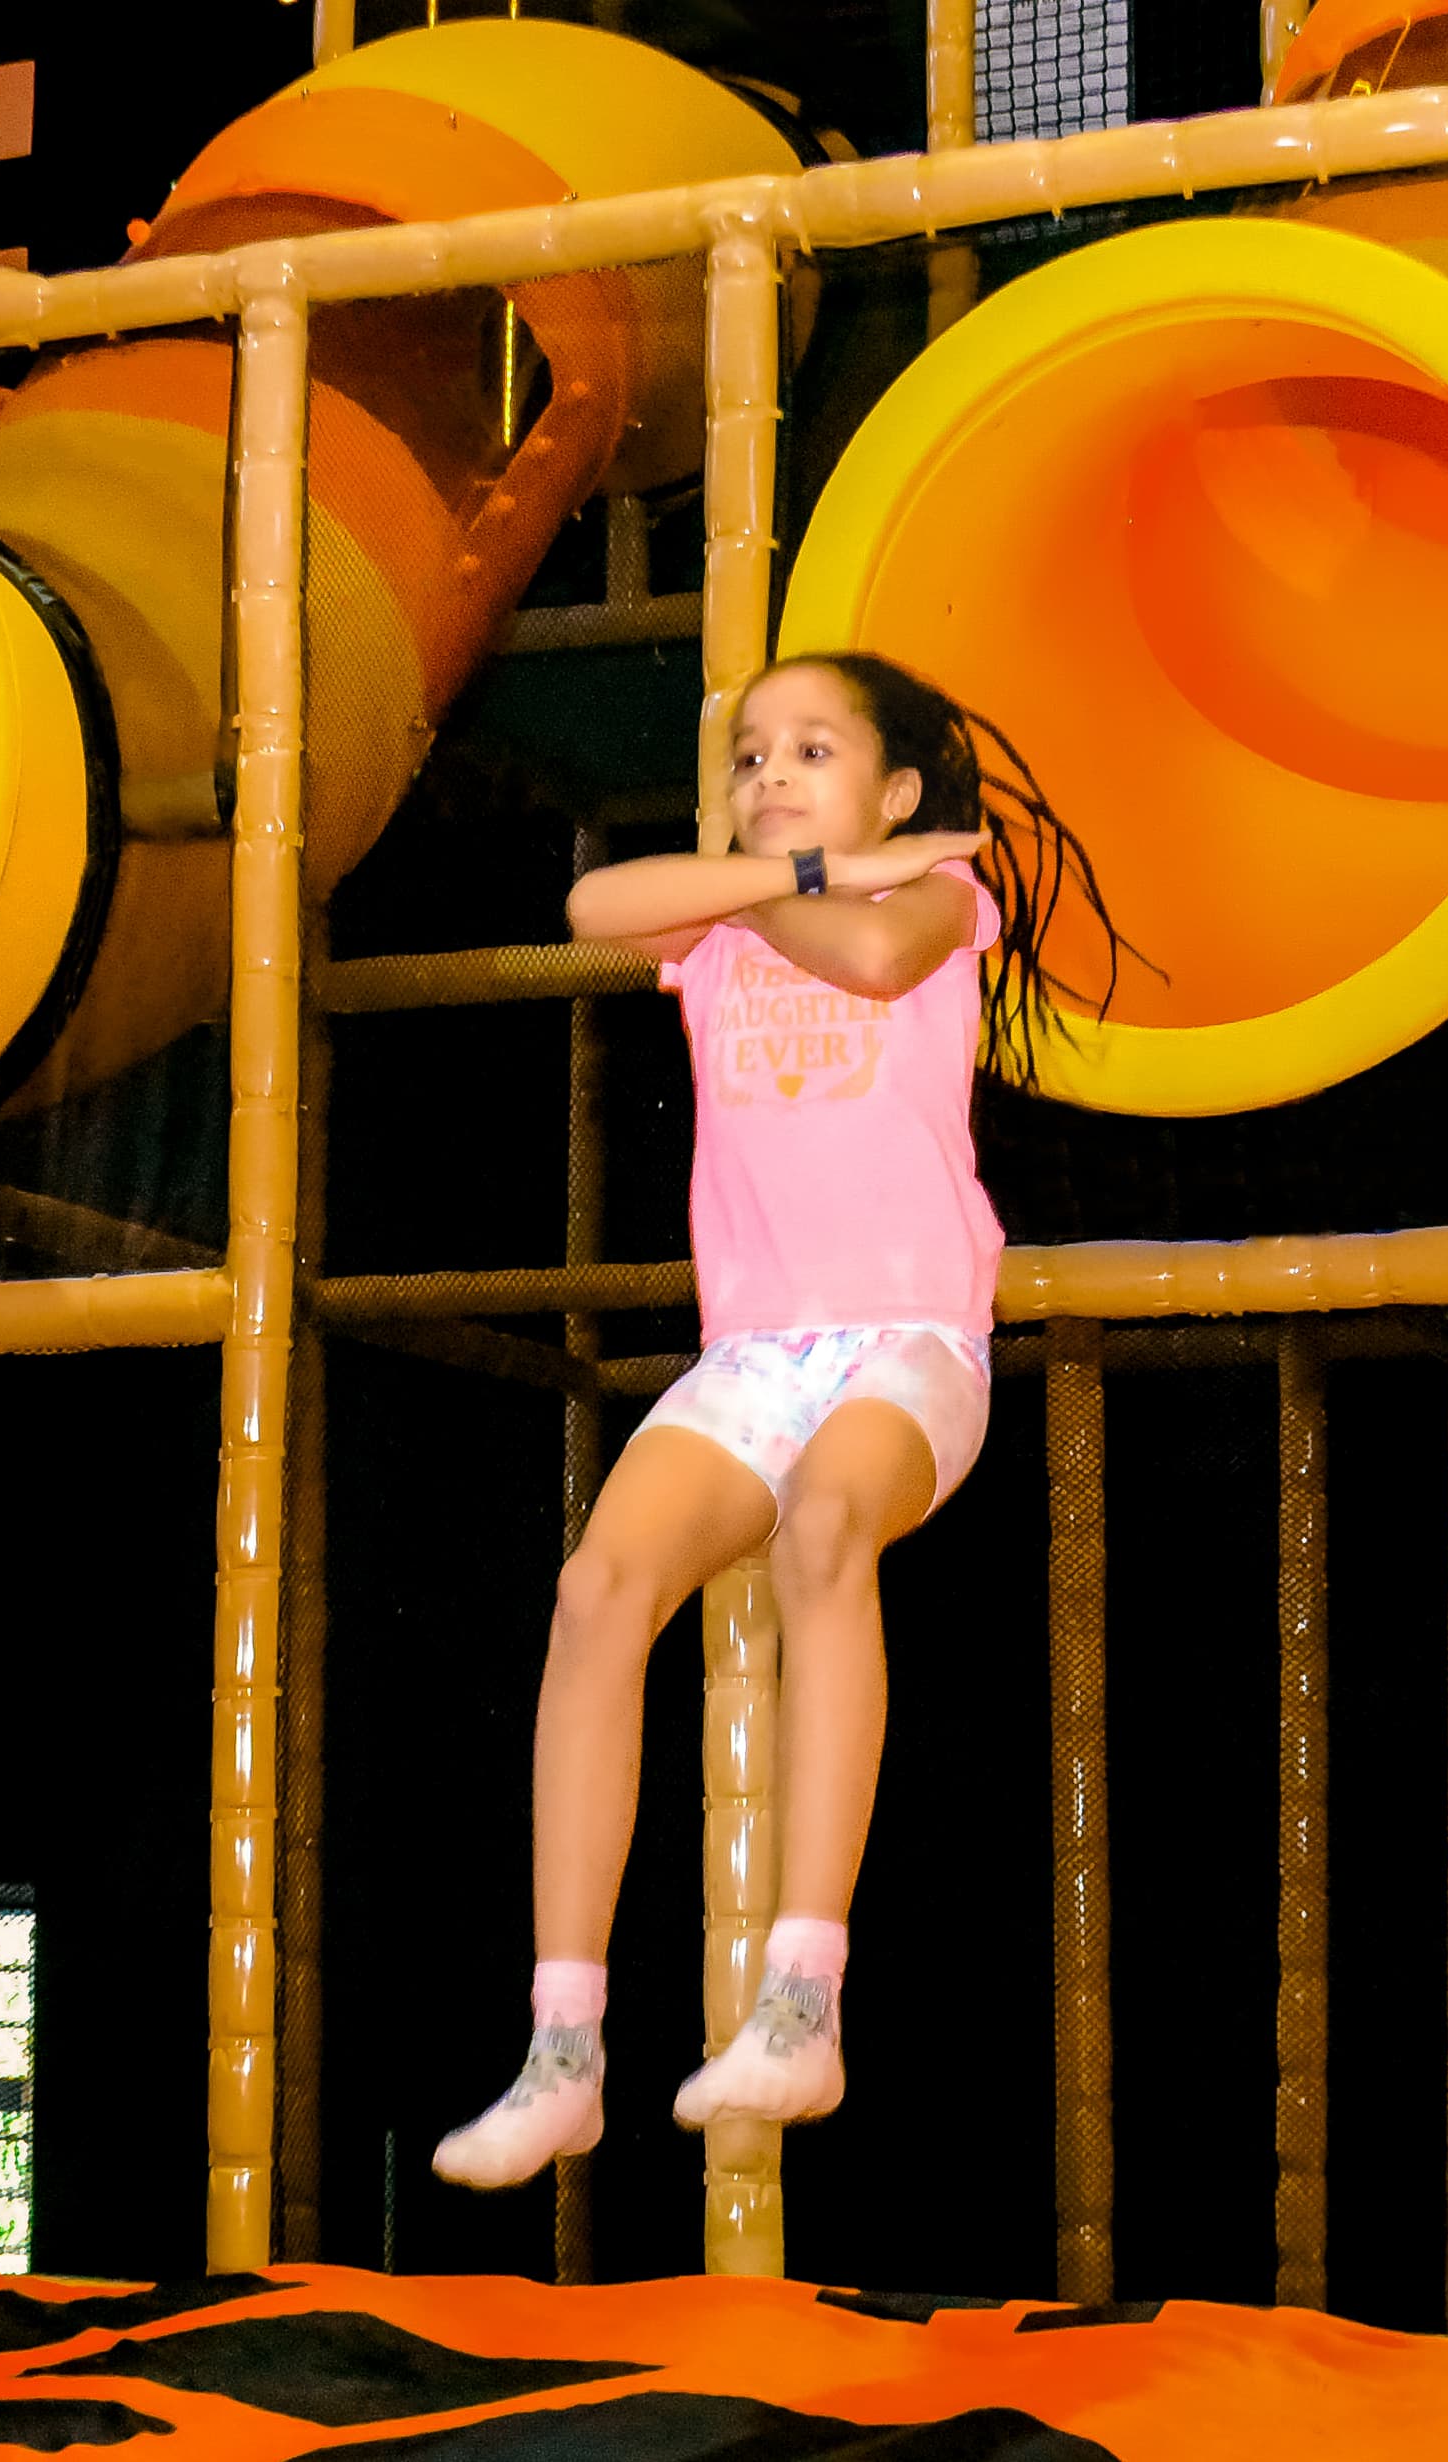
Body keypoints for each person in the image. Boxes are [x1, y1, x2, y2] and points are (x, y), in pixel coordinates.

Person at [433, 650, 1139, 2188]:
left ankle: (803, 1994)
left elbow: (882, 963)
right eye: (749, 755)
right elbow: (591, 908)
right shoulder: (736, 912)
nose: (766, 774)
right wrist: (792, 866)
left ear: (900, 791)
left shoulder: (943, 898)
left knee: (828, 1525)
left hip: (907, 1345)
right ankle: (566, 2043)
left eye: (811, 750)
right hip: (755, 1352)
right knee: (597, 1590)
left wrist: (785, 884)